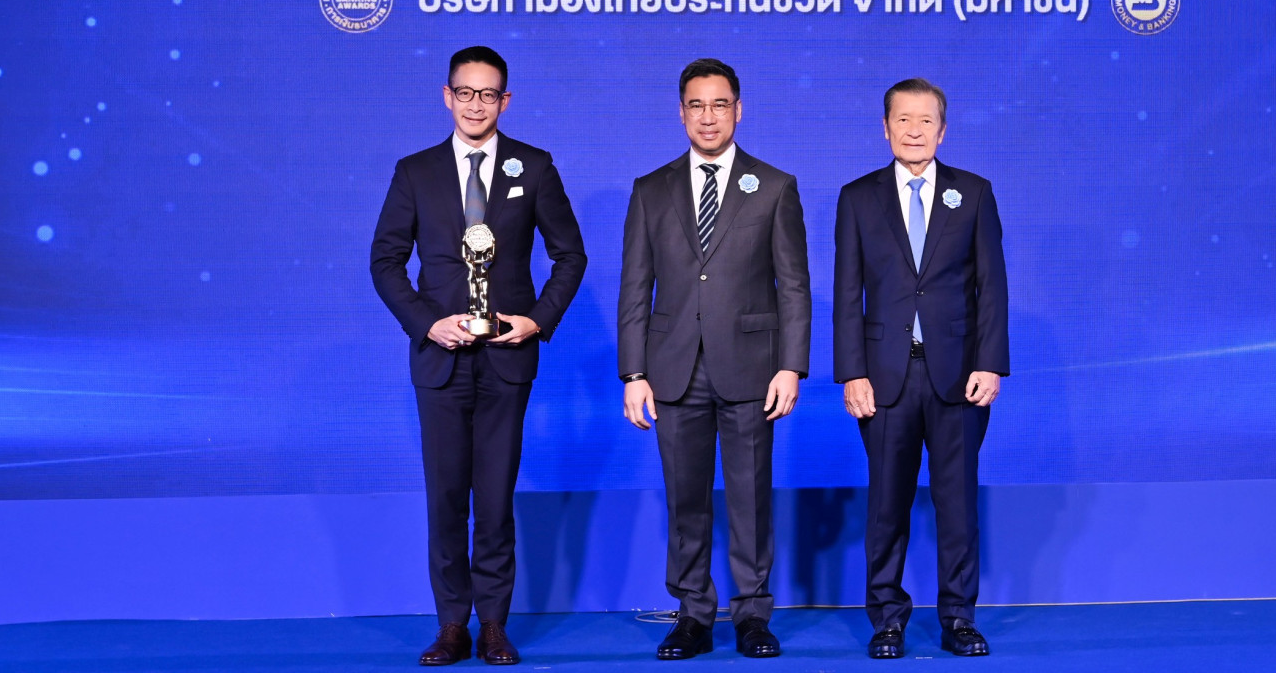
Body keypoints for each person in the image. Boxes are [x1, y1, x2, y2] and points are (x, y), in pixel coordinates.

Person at [370, 46, 586, 666]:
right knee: (445, 499)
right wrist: (427, 324)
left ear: (505, 101)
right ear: (447, 96)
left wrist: (536, 320)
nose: (475, 105)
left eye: (488, 94)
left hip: (506, 361)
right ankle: (450, 626)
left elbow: (570, 256)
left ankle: (493, 624)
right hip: (439, 362)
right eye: (465, 93)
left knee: (494, 498)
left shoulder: (533, 166)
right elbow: (385, 262)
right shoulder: (416, 171)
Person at [618, 58, 811, 660]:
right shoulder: (651, 189)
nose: (708, 117)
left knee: (750, 497)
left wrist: (791, 365)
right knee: (685, 499)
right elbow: (634, 288)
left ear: (739, 110)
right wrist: (634, 373)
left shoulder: (774, 185)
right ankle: (693, 615)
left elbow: (794, 286)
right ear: (681, 113)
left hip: (753, 368)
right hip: (672, 369)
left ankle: (752, 614)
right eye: (697, 105)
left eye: (720, 104)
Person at [833, 78, 1010, 659]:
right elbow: (847, 293)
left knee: (957, 505)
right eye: (903, 120)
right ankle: (887, 619)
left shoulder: (973, 193)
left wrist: (990, 363)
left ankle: (959, 617)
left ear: (943, 129)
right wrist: (851, 373)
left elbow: (992, 288)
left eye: (926, 120)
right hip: (885, 378)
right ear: (885, 128)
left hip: (958, 377)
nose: (914, 130)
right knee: (887, 506)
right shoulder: (858, 197)